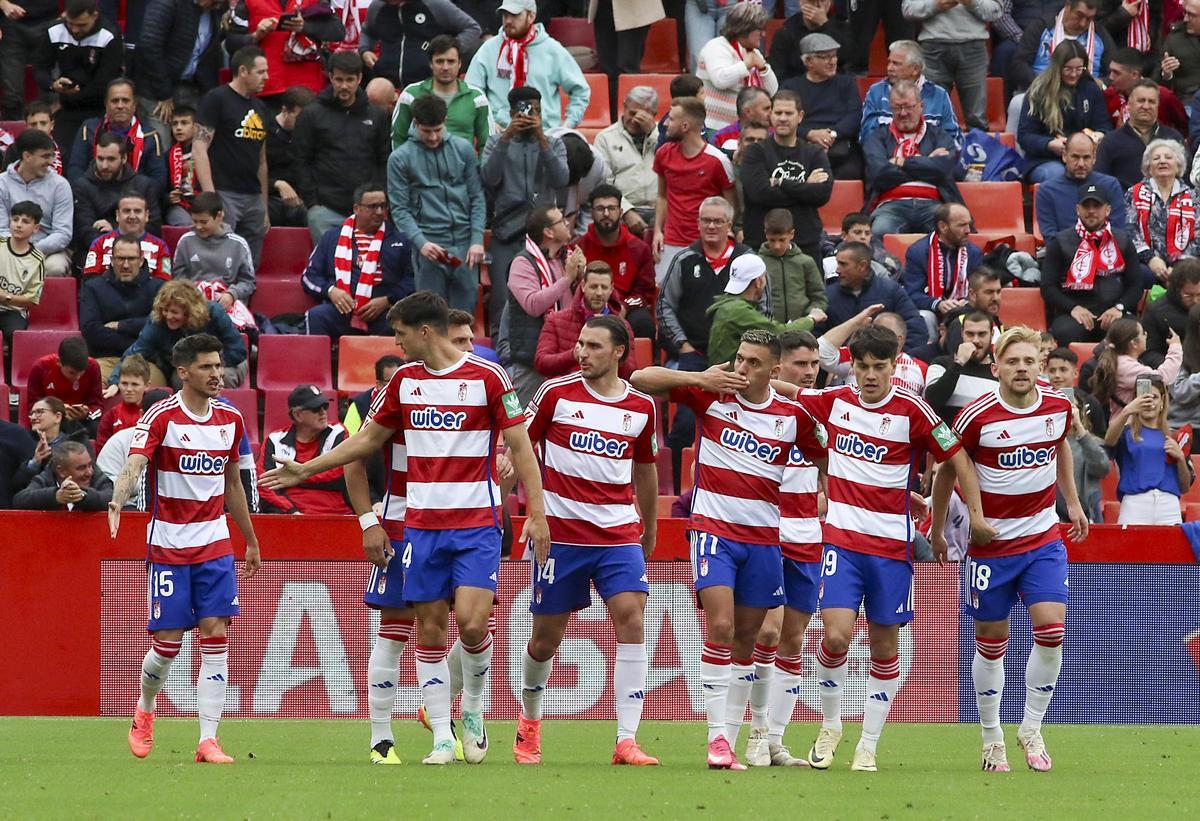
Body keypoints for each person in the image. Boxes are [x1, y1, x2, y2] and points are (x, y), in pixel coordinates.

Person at [261, 290, 551, 765]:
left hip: (476, 524)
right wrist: (307, 470)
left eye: (399, 333)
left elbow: (520, 446)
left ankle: (473, 707)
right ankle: (441, 738)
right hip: (420, 527)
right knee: (429, 630)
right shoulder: (403, 383)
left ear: (424, 331)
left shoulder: (489, 377)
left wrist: (536, 513)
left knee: (473, 623)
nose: (395, 343)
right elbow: (367, 441)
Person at [793, 323, 987, 772]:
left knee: (884, 647)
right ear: (852, 367)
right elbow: (790, 393)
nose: (869, 375)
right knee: (835, 636)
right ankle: (831, 723)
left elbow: (957, 457)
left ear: (893, 365)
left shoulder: (913, 410)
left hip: (891, 549)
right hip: (842, 542)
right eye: (862, 366)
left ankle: (869, 744)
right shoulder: (835, 401)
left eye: (878, 366)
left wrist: (973, 517)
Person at [632, 329, 826, 770]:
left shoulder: (790, 417)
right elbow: (641, 378)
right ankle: (716, 738)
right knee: (720, 624)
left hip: (763, 540)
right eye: (739, 358)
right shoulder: (712, 396)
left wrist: (837, 491)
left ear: (772, 371)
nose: (742, 368)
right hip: (714, 532)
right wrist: (700, 378)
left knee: (747, 640)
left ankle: (736, 740)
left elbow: (825, 456)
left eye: (753, 363)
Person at [930, 325, 1086, 774]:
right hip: (991, 545)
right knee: (991, 642)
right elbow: (946, 471)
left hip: (1042, 538)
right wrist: (938, 530)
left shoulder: (1057, 406)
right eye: (1012, 361)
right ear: (996, 367)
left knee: (1052, 631)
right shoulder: (976, 416)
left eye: (1029, 361)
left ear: (1041, 366)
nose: (1021, 369)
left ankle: (1031, 728)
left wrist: (1073, 502)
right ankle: (991, 737)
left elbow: (1060, 448)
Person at [109, 333, 261, 765]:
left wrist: (249, 538)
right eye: (206, 367)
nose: (217, 374)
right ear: (183, 372)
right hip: (170, 545)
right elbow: (135, 463)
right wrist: (118, 499)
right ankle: (145, 708)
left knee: (216, 634)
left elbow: (233, 484)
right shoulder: (161, 416)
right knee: (168, 645)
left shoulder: (230, 419)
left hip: (215, 543)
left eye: (218, 365)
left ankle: (208, 740)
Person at [517, 314, 661, 766]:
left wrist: (651, 526)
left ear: (619, 352)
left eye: (593, 346)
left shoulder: (641, 407)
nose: (582, 352)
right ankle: (529, 721)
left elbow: (645, 470)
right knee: (546, 639)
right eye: (580, 344)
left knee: (632, 617)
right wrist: (532, 511)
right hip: (561, 534)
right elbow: (520, 446)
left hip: (618, 532)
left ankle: (626, 739)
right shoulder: (554, 393)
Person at [734, 328, 821, 767]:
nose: (809, 372)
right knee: (766, 633)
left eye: (815, 364)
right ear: (777, 366)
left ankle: (774, 740)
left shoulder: (816, 412)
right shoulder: (758, 409)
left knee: (792, 640)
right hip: (766, 534)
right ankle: (755, 730)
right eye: (800, 364)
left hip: (808, 538)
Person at [480, 86, 570, 331]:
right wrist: (506, 137)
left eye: (536, 111)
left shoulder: (554, 143)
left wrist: (542, 139)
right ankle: (502, 351)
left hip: (544, 237)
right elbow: (488, 178)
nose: (531, 116)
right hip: (506, 234)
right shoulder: (496, 142)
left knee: (548, 298)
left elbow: (561, 179)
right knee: (501, 301)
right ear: (511, 113)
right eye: (525, 111)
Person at [388, 94, 485, 313]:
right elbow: (400, 210)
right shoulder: (400, 158)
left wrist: (477, 240)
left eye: (438, 130)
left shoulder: (463, 149)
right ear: (415, 124)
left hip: (465, 246)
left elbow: (477, 197)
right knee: (430, 316)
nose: (433, 137)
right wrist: (420, 242)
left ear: (445, 121)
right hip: (429, 247)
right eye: (426, 131)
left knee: (464, 317)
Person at [292, 52, 391, 243]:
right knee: (330, 261)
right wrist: (312, 203)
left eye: (349, 80)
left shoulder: (376, 115)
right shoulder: (312, 114)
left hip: (368, 209)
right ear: (330, 77)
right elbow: (300, 159)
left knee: (369, 262)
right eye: (339, 79)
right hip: (325, 210)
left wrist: (378, 200)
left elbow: (383, 160)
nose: (344, 86)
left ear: (359, 78)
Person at [301, 182, 415, 338]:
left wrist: (388, 300)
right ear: (356, 208)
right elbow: (309, 276)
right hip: (342, 310)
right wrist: (331, 291)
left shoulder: (400, 240)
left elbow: (412, 281)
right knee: (316, 316)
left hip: (383, 313)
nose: (379, 212)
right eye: (373, 207)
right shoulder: (332, 238)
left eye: (383, 206)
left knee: (404, 321)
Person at [193, 46, 270, 266]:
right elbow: (199, 148)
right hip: (224, 192)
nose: (266, 77)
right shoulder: (216, 99)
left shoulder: (261, 107)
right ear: (243, 71)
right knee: (219, 262)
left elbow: (262, 160)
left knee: (249, 265)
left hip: (253, 196)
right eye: (261, 72)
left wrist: (264, 206)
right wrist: (211, 198)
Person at [503, 205, 586, 406]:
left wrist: (581, 277)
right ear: (549, 232)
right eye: (561, 221)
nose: (567, 223)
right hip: (532, 361)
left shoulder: (566, 258)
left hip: (566, 355)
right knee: (522, 421)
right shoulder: (522, 263)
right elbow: (533, 304)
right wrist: (567, 279)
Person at [464, 0, 589, 131]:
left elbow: (580, 91)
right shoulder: (488, 49)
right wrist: (487, 123)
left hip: (544, 135)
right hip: (500, 135)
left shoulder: (553, 50)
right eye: (505, 15)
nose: (508, 21)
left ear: (531, 16)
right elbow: (471, 92)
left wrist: (567, 126)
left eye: (515, 15)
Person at [1041, 183, 1143, 344]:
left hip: (1114, 311)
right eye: (1086, 206)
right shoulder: (1060, 242)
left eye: (1097, 206)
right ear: (1077, 209)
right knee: (1066, 332)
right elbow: (1048, 287)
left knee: (1131, 333)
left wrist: (1119, 308)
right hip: (1073, 313)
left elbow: (1136, 285)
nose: (1091, 211)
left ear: (1107, 210)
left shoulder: (1123, 241)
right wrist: (1073, 308)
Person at [863, 81, 963, 240]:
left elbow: (943, 170)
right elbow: (879, 173)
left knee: (948, 234)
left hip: (933, 204)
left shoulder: (939, 135)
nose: (903, 113)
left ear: (921, 106)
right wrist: (926, 162)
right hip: (891, 205)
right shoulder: (877, 137)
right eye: (897, 108)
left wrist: (903, 162)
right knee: (880, 231)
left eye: (908, 107)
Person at [652, 96, 737, 282]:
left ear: (685, 126)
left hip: (707, 243)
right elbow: (662, 196)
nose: (665, 123)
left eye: (671, 119)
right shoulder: (663, 154)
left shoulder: (718, 161)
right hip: (671, 242)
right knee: (664, 294)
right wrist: (658, 231)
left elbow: (731, 205)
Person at [739, 90, 832, 256]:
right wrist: (805, 186)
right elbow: (759, 194)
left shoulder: (814, 153)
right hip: (761, 245)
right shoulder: (755, 152)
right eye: (778, 113)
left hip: (806, 245)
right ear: (770, 115)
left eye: (788, 113)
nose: (782, 118)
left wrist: (780, 182)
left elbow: (821, 194)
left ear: (800, 116)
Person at [109, 279, 249, 388]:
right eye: (165, 310)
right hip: (186, 369)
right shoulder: (157, 321)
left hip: (226, 363)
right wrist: (115, 381)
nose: (169, 316)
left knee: (215, 378)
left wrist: (207, 366)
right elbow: (135, 352)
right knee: (181, 380)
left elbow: (238, 350)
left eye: (174, 312)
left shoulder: (213, 313)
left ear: (189, 312)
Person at [33, 0, 124, 156]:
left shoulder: (109, 35)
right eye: (70, 23)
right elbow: (40, 68)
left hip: (98, 107)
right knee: (62, 154)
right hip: (66, 108)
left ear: (94, 15)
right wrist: (52, 85)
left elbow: (105, 82)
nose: (74, 29)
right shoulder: (54, 31)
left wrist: (67, 97)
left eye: (81, 25)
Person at [1018, 40, 1113, 184]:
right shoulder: (1038, 92)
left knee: (1102, 175)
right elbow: (1025, 136)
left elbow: (1105, 126)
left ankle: (1091, 199)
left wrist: (1098, 135)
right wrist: (1050, 144)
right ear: (1057, 67)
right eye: (1068, 69)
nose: (1074, 74)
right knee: (1058, 176)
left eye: (1079, 69)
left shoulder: (1090, 88)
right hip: (1046, 159)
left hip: (1085, 156)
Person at [901, 0, 1002, 132]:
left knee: (977, 119)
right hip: (933, 48)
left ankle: (977, 145)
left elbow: (996, 12)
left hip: (973, 48)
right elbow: (908, 9)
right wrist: (936, 4)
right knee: (932, 116)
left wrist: (971, 2)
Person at [81, 233, 169, 383]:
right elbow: (91, 330)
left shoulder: (158, 287)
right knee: (94, 382)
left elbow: (160, 324)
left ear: (141, 261)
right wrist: (141, 340)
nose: (126, 265)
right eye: (120, 259)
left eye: (131, 259)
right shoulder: (93, 287)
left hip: (145, 361)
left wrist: (122, 325)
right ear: (112, 260)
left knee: (152, 388)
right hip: (106, 359)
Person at [574, 184, 657, 341]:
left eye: (611, 208)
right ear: (592, 213)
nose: (606, 214)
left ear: (620, 212)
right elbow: (572, 288)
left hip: (626, 308)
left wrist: (624, 306)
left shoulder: (639, 248)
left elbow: (645, 291)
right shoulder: (578, 248)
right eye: (600, 209)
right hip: (588, 306)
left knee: (643, 323)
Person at [705, 254, 821, 366]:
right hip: (733, 376)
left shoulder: (729, 305)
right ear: (759, 282)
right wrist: (811, 319)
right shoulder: (737, 310)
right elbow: (780, 334)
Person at [1104, 377, 1191, 524]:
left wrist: (1181, 458)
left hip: (1169, 505)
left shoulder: (1176, 436)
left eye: (1154, 397)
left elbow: (1185, 486)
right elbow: (1109, 441)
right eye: (1143, 397)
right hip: (1135, 503)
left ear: (1162, 401)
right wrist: (1127, 411)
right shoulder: (1125, 433)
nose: (1149, 402)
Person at [257, 384, 352, 515]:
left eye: (325, 406)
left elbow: (341, 473)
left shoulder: (338, 432)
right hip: (290, 517)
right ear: (297, 415)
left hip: (338, 516)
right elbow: (265, 485)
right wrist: (292, 512)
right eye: (316, 408)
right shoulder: (274, 441)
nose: (323, 412)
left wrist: (299, 475)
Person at [135, 0, 228, 132]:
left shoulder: (214, 12)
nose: (218, 6)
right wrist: (164, 93)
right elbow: (149, 46)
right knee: (160, 141)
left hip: (193, 89)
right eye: (215, 2)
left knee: (197, 141)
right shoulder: (167, 3)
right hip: (156, 91)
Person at [822, 241, 929, 354]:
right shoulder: (828, 295)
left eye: (843, 264)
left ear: (862, 266)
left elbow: (916, 329)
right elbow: (817, 337)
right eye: (838, 263)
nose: (837, 270)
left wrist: (894, 357)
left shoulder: (891, 291)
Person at [391, 34, 491, 154]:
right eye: (439, 61)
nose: (445, 67)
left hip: (463, 164)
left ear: (460, 63)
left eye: (451, 61)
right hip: (420, 164)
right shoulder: (410, 95)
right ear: (430, 64)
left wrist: (476, 166)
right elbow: (397, 137)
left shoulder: (477, 98)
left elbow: (487, 143)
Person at [782, 34, 863, 181]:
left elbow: (854, 116)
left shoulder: (846, 83)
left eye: (834, 56)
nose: (832, 62)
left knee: (852, 171)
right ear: (808, 61)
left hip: (839, 144)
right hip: (801, 145)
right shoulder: (791, 86)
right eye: (825, 57)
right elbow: (783, 119)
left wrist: (830, 135)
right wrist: (810, 134)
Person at [534, 262, 634, 379]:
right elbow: (541, 363)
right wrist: (573, 355)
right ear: (583, 286)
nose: (599, 293)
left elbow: (630, 372)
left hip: (605, 388)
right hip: (566, 387)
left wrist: (611, 354)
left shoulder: (622, 326)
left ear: (611, 289)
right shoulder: (555, 320)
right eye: (593, 287)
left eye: (604, 287)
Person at [67, 78, 168, 192]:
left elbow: (159, 180)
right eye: (115, 101)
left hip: (136, 198)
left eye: (125, 100)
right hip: (94, 195)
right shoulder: (89, 129)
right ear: (106, 105)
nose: (120, 106)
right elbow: (75, 170)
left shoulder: (150, 136)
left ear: (134, 105)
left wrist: (132, 196)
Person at [359, 0, 482, 91]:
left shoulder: (435, 4)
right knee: (376, 91)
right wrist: (365, 50)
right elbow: (367, 31)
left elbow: (472, 28)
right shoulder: (377, 6)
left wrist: (449, 50)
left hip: (427, 81)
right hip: (388, 81)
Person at [71, 134, 164, 254]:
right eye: (100, 159)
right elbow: (84, 231)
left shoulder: (143, 186)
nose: (104, 165)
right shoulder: (82, 186)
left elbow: (153, 227)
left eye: (111, 159)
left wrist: (116, 230)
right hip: (97, 253)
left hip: (138, 252)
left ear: (124, 158)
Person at [1124, 139, 1199, 287]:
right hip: (1145, 263)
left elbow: (1198, 234)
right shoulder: (1134, 193)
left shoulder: (1193, 196)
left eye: (1168, 157)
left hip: (1185, 262)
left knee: (1189, 274)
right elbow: (1129, 229)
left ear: (1178, 166)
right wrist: (1150, 259)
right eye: (1156, 158)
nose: (1162, 161)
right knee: (1141, 273)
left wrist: (1179, 265)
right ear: (1149, 167)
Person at [0, 129, 74, 277]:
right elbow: (1, 228)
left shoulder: (60, 185)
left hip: (47, 251)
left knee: (55, 267)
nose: (51, 162)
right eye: (45, 156)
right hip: (8, 248)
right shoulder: (2, 183)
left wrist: (31, 250)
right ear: (27, 156)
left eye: (52, 156)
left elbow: (63, 232)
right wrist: (16, 250)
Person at [171, 192, 257, 318]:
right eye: (195, 221)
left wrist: (232, 295)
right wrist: (194, 292)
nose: (198, 226)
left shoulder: (238, 244)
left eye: (204, 222)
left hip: (227, 306)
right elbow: (178, 278)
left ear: (219, 216)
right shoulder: (185, 241)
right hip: (193, 304)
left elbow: (248, 282)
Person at [859, 40, 961, 145]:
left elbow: (953, 138)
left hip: (929, 154)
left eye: (896, 64)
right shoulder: (876, 92)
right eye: (889, 62)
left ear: (915, 69)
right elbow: (866, 136)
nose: (889, 68)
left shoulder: (939, 95)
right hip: (886, 153)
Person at [696, 2, 778, 131]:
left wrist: (763, 69)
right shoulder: (716, 47)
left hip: (744, 129)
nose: (763, 34)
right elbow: (721, 80)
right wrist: (745, 65)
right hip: (714, 128)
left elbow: (772, 91)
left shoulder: (753, 53)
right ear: (745, 30)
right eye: (760, 30)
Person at [245, 0, 345, 101]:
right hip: (265, 90)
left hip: (307, 89)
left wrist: (305, 27)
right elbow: (235, 42)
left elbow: (338, 31)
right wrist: (255, 36)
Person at [1034, 131, 1126, 242]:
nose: (1081, 164)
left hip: (1106, 250)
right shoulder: (1046, 191)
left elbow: (1118, 232)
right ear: (1064, 156)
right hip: (1063, 252)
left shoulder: (1110, 185)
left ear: (1094, 158)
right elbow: (1050, 238)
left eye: (1086, 157)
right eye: (1075, 157)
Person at [593, 86, 660, 232]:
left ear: (653, 114)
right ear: (624, 107)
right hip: (621, 212)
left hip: (660, 209)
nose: (635, 120)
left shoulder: (663, 137)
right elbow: (604, 184)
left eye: (642, 116)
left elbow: (675, 170)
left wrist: (653, 133)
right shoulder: (605, 138)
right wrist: (626, 211)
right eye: (632, 113)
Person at [1011, 0, 1115, 92]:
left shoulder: (1100, 34)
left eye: (1089, 18)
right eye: (1079, 15)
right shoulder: (1042, 26)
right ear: (1067, 5)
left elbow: (1114, 72)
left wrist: (1101, 83)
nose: (1083, 23)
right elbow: (1019, 64)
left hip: (1086, 95)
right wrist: (1041, 82)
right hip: (1043, 91)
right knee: (1017, 103)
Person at [1089, 317, 1182, 414]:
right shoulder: (1126, 367)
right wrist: (1175, 347)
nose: (1145, 336)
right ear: (1133, 343)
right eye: (1143, 333)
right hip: (1128, 422)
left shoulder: (1121, 362)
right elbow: (1161, 379)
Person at [925, 311, 1001, 422]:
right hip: (946, 432)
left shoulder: (999, 371)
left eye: (982, 334)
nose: (975, 340)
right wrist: (958, 363)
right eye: (970, 334)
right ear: (962, 333)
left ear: (992, 334)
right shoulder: (941, 363)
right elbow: (932, 402)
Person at [758, 209, 827, 326]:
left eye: (782, 240)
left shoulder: (806, 262)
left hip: (802, 327)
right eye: (772, 240)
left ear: (791, 234)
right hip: (767, 327)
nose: (777, 246)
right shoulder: (758, 263)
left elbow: (818, 296)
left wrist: (808, 318)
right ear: (766, 234)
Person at [83, 191, 172, 280]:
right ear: (117, 215)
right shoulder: (99, 243)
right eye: (126, 211)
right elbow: (90, 280)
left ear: (146, 215)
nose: (132, 216)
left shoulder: (160, 247)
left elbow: (164, 282)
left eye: (137, 211)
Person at [11, 396, 93, 492]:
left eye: (39, 412)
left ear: (57, 417)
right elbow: (17, 486)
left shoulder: (77, 440)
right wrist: (35, 462)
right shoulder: (25, 442)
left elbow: (90, 474)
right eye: (31, 413)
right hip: (39, 497)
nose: (33, 417)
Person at [263, 85, 316, 230]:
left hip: (301, 198)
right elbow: (254, 171)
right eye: (299, 118)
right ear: (285, 111)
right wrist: (277, 183)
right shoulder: (265, 131)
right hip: (270, 196)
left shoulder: (310, 134)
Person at [28, 336, 104, 433]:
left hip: (81, 421)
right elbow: (33, 405)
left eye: (82, 372)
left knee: (96, 428)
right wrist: (55, 410)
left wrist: (87, 414)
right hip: (50, 418)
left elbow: (97, 404)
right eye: (72, 373)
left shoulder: (93, 366)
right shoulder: (40, 368)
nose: (78, 377)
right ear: (59, 362)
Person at [1102, 48, 1188, 133]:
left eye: (1116, 73)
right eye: (1110, 71)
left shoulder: (1163, 96)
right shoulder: (1109, 95)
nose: (1110, 77)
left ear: (1134, 75)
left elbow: (1185, 129)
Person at [591, 0, 663, 98]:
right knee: (607, 69)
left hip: (634, 9)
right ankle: (611, 106)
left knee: (627, 68)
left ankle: (629, 106)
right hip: (603, 7)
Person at [769, 0, 852, 85]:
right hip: (796, 88)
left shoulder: (841, 27)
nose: (818, 5)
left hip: (833, 87)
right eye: (812, 1)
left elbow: (848, 58)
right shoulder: (786, 32)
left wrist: (825, 24)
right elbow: (777, 73)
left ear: (829, 3)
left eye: (822, 0)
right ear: (801, 3)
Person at [14, 439, 113, 510]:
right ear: (61, 471)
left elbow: (112, 498)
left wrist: (83, 496)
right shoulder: (47, 477)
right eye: (81, 468)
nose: (89, 472)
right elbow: (20, 500)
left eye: (90, 465)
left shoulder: (96, 475)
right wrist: (55, 496)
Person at [1058, 388, 1109, 523]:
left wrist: (1079, 428)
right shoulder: (1048, 443)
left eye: (1073, 407)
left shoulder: (1089, 441)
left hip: (1089, 514)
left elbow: (1102, 468)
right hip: (1056, 516)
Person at [0, 200, 45, 346]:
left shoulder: (37, 259)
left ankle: (12, 361)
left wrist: (6, 297)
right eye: (15, 219)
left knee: (16, 334)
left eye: (25, 221)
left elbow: (32, 299)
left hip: (13, 311)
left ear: (36, 228)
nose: (18, 225)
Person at [1144, 259, 1200, 367]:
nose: (1195, 300)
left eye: (1199, 295)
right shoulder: (1155, 311)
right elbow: (1149, 353)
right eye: (1188, 295)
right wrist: (1177, 367)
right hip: (1175, 369)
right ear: (1177, 290)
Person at [942, 266, 1004, 354]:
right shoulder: (960, 322)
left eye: (998, 292)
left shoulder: (996, 321)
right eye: (989, 292)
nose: (995, 298)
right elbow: (956, 360)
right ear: (972, 295)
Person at [96, 354, 151, 452]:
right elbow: (102, 453)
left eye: (135, 384)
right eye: (124, 383)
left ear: (147, 386)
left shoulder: (154, 413)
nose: (129, 389)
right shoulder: (111, 416)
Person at [1046, 346, 1106, 430]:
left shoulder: (1090, 403)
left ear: (1075, 373)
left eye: (1063, 370)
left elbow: (1100, 436)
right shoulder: (1041, 401)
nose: (1057, 375)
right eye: (1052, 371)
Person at [343, 354, 403, 434]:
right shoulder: (360, 405)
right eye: (392, 381)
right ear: (379, 384)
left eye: (402, 380)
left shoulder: (412, 401)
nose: (399, 384)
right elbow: (349, 438)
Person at [0, 100, 62, 173]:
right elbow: (6, 177)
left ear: (52, 125)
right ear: (26, 126)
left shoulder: (63, 148)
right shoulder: (15, 150)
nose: (39, 128)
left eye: (43, 123)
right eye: (33, 124)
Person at [709, 86, 771, 158]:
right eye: (766, 109)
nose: (771, 113)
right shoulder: (720, 137)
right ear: (748, 111)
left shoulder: (775, 136)